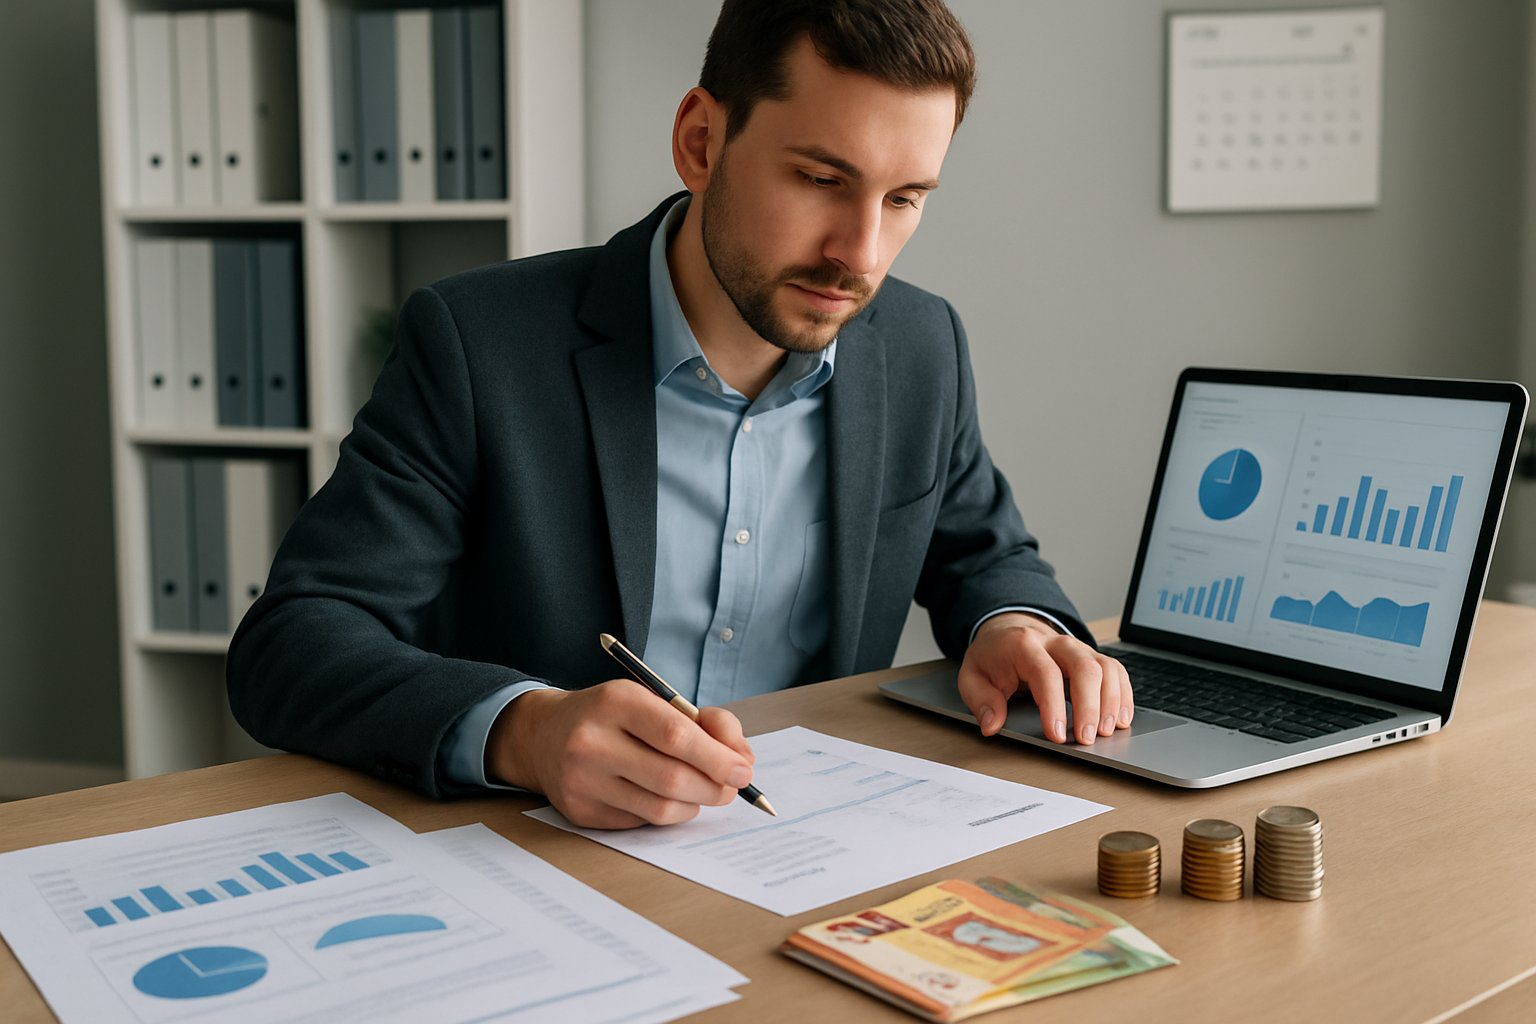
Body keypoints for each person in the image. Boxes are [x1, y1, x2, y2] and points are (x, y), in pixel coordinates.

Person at [227, 0, 1132, 830]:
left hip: (805, 846)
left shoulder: (919, 344)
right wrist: (526, 731)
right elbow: (294, 644)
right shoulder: (480, 345)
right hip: (538, 855)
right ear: (701, 141)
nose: (860, 253)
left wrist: (1016, 628)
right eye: (821, 178)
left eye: (903, 201)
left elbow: (984, 552)